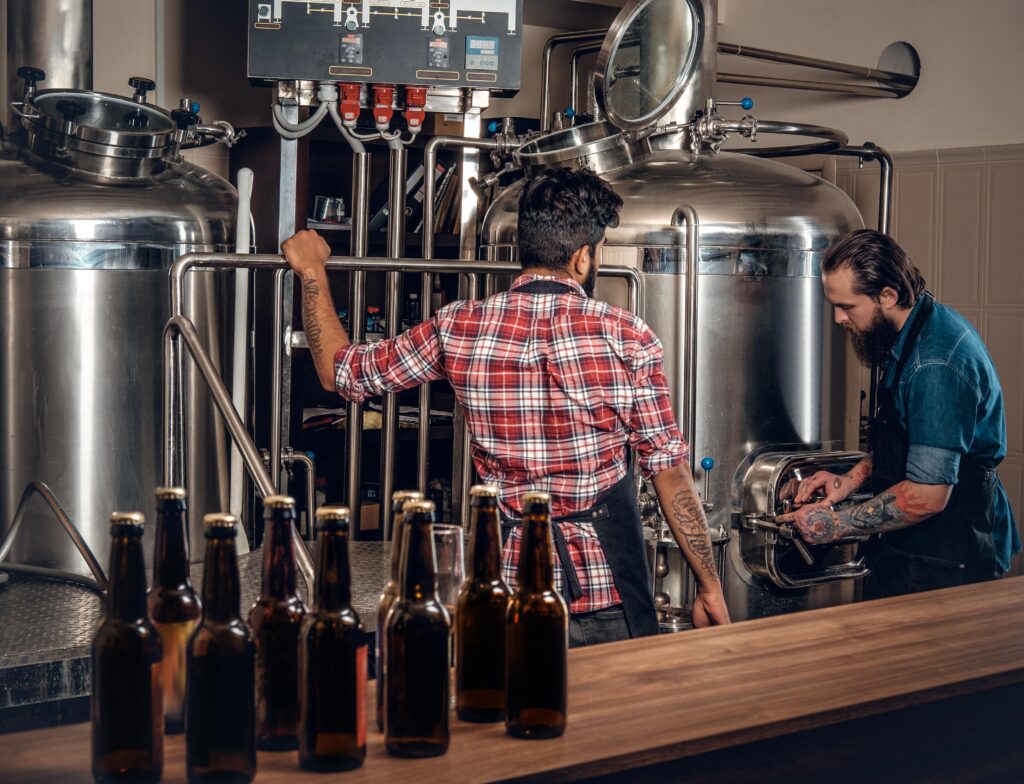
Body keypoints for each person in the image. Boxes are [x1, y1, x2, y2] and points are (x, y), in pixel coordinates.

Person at [282, 167, 729, 645]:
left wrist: (312, 272)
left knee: (506, 718)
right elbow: (669, 472)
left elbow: (341, 372)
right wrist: (708, 585)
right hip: (605, 595)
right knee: (615, 720)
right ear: (583, 259)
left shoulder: (459, 326)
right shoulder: (626, 335)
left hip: (503, 592)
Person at [779, 229, 1020, 598]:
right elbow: (914, 441)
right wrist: (850, 480)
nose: (838, 319)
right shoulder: (918, 325)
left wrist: (835, 525)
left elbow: (927, 493)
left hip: (944, 557)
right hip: (915, 550)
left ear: (887, 296)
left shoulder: (934, 365)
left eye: (847, 306)